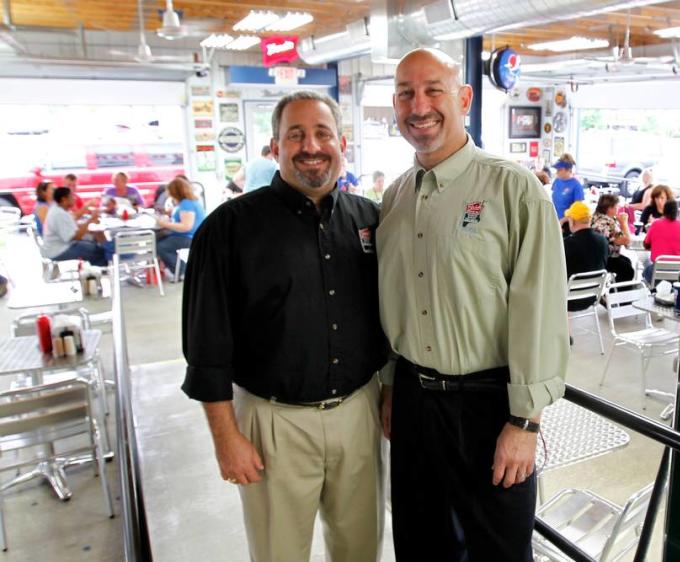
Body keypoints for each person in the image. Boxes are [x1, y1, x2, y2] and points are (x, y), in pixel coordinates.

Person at [378, 47, 568, 562]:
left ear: (463, 97)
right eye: (405, 93)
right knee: (421, 545)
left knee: (499, 552)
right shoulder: (393, 200)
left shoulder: (513, 189)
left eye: (433, 90)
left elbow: (541, 309)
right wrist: (392, 385)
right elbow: (395, 303)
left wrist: (525, 423)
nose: (419, 106)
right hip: (415, 402)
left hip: (490, 406)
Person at [181, 90, 386, 562]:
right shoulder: (227, 229)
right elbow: (205, 345)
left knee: (361, 549)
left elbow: (387, 319)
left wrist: (388, 389)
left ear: (342, 143)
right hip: (272, 424)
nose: (310, 146)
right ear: (274, 147)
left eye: (322, 133)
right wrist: (226, 438)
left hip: (359, 412)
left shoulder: (369, 220)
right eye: (296, 135)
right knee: (279, 553)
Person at [42, 187, 112, 266]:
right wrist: (90, 220)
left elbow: (73, 227)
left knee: (95, 242)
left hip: (61, 246)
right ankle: (97, 274)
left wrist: (91, 222)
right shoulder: (59, 214)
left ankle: (96, 273)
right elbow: (76, 237)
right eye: (71, 197)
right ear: (64, 199)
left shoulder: (59, 210)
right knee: (98, 251)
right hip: (58, 250)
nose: (74, 199)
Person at [154, 177, 206, 281]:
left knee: (160, 247)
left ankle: (183, 270)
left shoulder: (186, 204)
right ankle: (175, 269)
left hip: (190, 237)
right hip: (188, 235)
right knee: (157, 241)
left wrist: (164, 224)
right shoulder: (187, 203)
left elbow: (186, 226)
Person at [564, 200, 609, 310]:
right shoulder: (603, 240)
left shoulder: (567, 244)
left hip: (568, 300)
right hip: (592, 297)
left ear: (572, 220)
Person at [642, 199, 680, 284]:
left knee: (645, 265)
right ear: (678, 212)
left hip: (657, 274)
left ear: (664, 211)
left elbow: (646, 244)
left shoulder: (656, 224)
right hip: (679, 275)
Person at [591, 194, 634, 283]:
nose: (617, 209)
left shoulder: (594, 217)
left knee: (627, 261)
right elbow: (627, 242)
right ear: (609, 208)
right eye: (616, 207)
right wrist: (624, 223)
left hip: (593, 256)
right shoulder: (607, 222)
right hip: (605, 258)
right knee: (628, 270)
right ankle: (616, 294)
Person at [551, 153, 584, 223]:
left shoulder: (576, 186)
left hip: (567, 224)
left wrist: (562, 221)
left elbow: (578, 210)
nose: (557, 172)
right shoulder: (556, 181)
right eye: (557, 169)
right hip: (554, 220)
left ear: (568, 170)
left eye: (560, 170)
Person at [627, 168, 654, 234]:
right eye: (644, 175)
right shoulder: (640, 186)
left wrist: (629, 206)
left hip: (640, 215)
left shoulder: (650, 189)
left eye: (646, 176)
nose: (644, 177)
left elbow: (643, 205)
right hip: (632, 213)